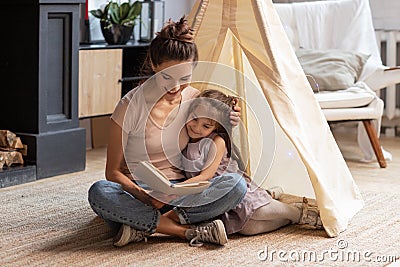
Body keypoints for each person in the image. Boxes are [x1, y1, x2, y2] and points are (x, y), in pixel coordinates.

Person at [87, 17, 247, 248]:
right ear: (153, 64)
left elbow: (214, 129)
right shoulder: (129, 106)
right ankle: (185, 231)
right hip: (139, 193)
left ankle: (142, 226)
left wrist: (230, 118)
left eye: (184, 78)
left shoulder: (195, 99)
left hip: (180, 193)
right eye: (166, 77)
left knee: (236, 185)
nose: (175, 87)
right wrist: (146, 197)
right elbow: (112, 172)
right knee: (100, 192)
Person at [180, 89, 323, 236]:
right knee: (248, 229)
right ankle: (289, 218)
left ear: (216, 127)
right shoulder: (183, 139)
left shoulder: (217, 142)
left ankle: (297, 213)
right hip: (215, 197)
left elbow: (206, 176)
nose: (196, 127)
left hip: (232, 190)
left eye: (206, 126)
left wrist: (174, 189)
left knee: (258, 211)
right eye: (195, 119)